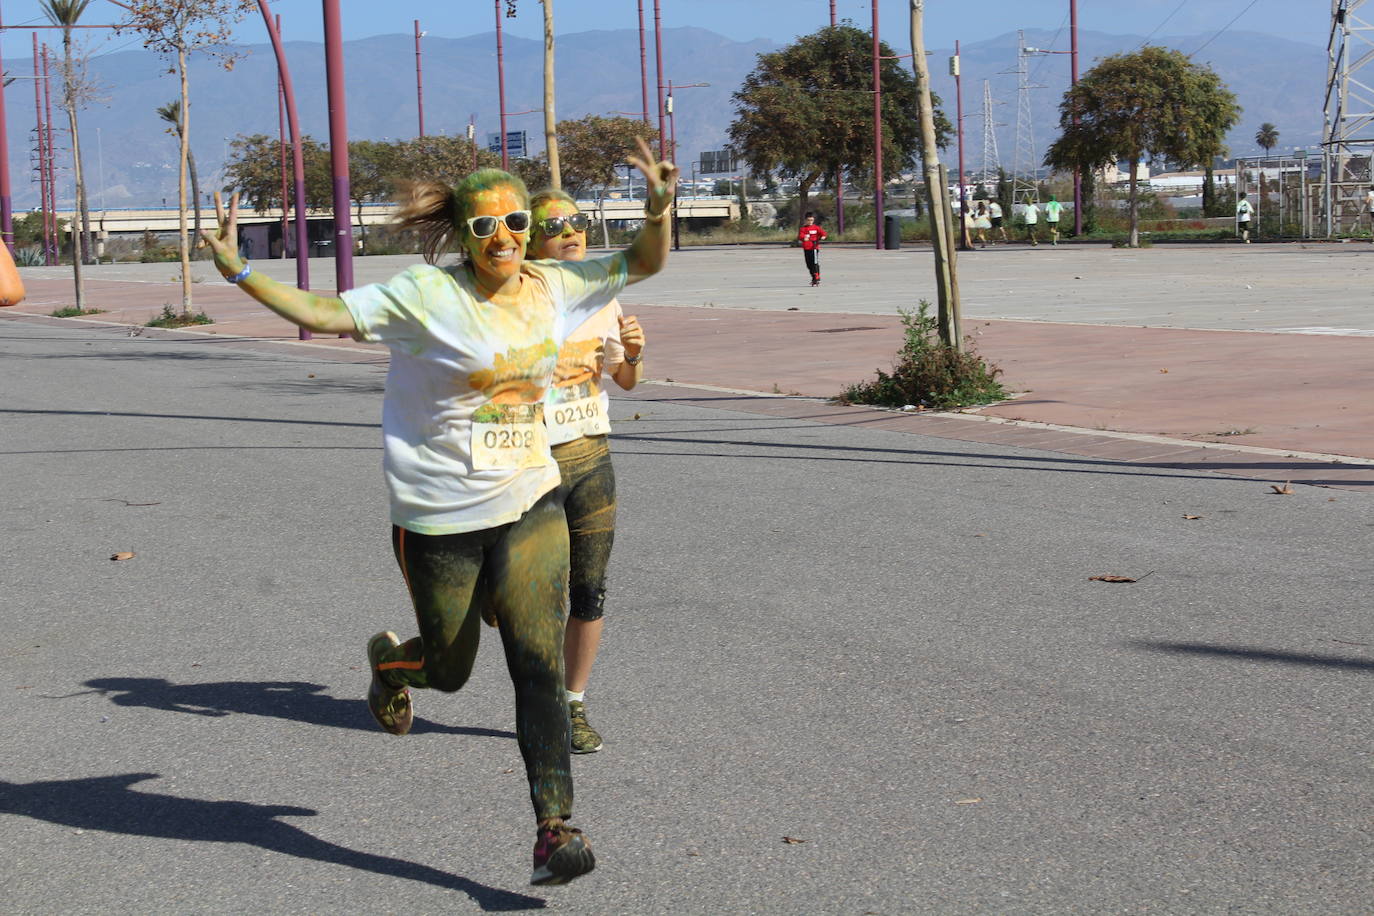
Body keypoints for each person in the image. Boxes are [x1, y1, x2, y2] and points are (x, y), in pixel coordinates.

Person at [199, 138, 679, 887]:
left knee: (536, 666)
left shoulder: (552, 285)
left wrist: (657, 209)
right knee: (449, 670)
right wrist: (240, 270)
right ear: (460, 231)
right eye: (485, 227)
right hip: (437, 517)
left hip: (529, 500)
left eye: (516, 222)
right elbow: (323, 314)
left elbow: (643, 264)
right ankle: (391, 663)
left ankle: (555, 829)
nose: (506, 239)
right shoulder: (424, 295)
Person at [524, 189, 644, 756]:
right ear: (529, 238)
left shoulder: (604, 295)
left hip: (593, 457)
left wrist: (636, 356)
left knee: (589, 590)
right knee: (534, 595)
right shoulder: (514, 300)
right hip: (531, 463)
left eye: (578, 221)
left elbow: (623, 380)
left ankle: (572, 703)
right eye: (555, 225)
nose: (571, 231)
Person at [797, 211, 827, 286]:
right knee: (809, 264)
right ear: (805, 220)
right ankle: (814, 277)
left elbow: (823, 233)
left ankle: (817, 276)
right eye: (808, 220)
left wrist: (823, 236)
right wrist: (804, 238)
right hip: (807, 249)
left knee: (815, 263)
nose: (810, 222)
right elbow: (800, 236)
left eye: (811, 220)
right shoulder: (803, 229)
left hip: (814, 248)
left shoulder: (816, 228)